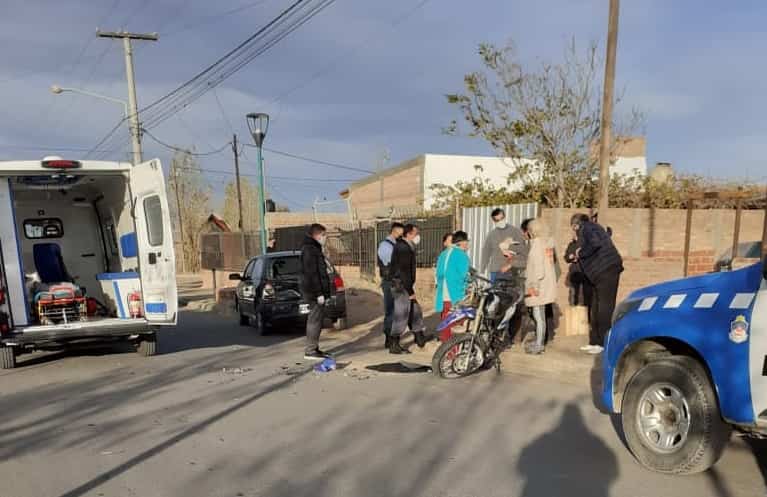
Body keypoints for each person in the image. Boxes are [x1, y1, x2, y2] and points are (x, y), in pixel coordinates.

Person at [571, 213, 623, 355]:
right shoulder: (593, 228)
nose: (574, 232)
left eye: (573, 228)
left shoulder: (588, 227)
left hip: (607, 270)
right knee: (595, 306)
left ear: (576, 225)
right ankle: (594, 342)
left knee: (605, 307)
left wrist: (580, 253)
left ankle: (604, 343)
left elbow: (596, 243)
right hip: (599, 273)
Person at [389, 224, 428, 354]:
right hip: (401, 285)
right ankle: (394, 343)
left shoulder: (406, 246)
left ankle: (419, 337)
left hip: (404, 284)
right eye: (416, 233)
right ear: (409, 234)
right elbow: (404, 271)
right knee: (401, 314)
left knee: (415, 311)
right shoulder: (403, 248)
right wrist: (410, 291)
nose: (418, 236)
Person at [523, 219, 558, 355]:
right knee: (541, 316)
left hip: (538, 286)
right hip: (546, 284)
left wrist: (534, 286)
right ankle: (539, 342)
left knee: (538, 316)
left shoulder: (537, 245)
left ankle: (539, 345)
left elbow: (538, 270)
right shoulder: (547, 244)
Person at [300, 223, 332, 360]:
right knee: (314, 320)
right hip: (313, 292)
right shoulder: (310, 249)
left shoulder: (314, 248)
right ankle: (311, 350)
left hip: (315, 291)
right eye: (324, 235)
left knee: (317, 320)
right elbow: (312, 273)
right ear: (317, 235)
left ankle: (314, 348)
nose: (325, 238)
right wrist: (319, 293)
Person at [435, 230, 471, 342]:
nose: (468, 244)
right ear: (462, 242)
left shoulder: (443, 254)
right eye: (467, 241)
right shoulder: (461, 255)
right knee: (456, 322)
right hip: (456, 293)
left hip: (443, 293)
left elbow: (438, 273)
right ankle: (453, 349)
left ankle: (445, 346)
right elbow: (465, 275)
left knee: (445, 320)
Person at [377, 222, 405, 349]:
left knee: (397, 311)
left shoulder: (395, 245)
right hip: (391, 281)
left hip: (396, 281)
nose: (401, 236)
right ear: (394, 232)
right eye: (400, 234)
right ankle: (391, 339)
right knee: (392, 311)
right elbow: (391, 262)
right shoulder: (385, 246)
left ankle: (393, 340)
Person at [481, 208, 528, 282]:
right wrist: (482, 270)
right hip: (495, 270)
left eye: (502, 218)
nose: (500, 221)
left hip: (511, 270)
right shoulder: (492, 234)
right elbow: (486, 252)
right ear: (494, 221)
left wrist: (509, 248)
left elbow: (523, 249)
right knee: (494, 289)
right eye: (497, 220)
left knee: (510, 289)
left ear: (505, 217)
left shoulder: (515, 231)